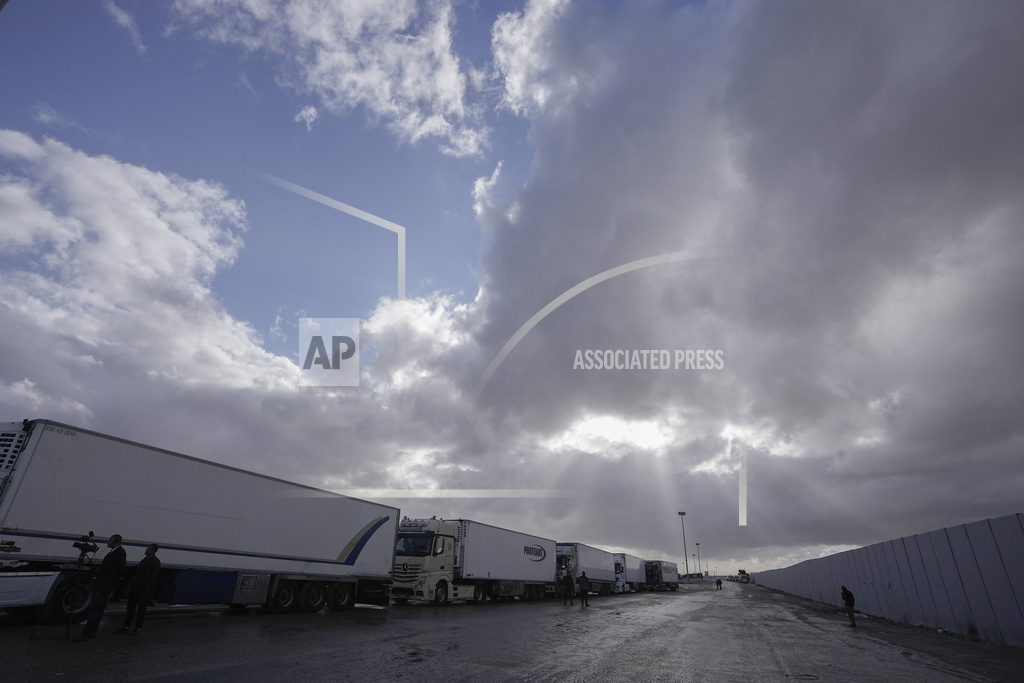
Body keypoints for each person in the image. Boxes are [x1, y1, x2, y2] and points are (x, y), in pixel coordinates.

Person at [76, 534, 127, 640]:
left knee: (94, 608)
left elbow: (121, 569)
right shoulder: (114, 552)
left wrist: (111, 582)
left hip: (105, 585)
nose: (108, 542)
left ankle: (86, 632)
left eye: (110, 540)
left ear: (115, 542)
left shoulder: (120, 552)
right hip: (105, 584)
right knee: (98, 609)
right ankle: (92, 631)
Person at [118, 544, 160, 635]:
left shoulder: (155, 562)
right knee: (130, 608)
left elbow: (153, 576)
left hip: (143, 588)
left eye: (149, 549)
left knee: (141, 609)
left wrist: (147, 588)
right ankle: (126, 626)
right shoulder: (144, 560)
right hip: (136, 587)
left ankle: (138, 628)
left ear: (154, 551)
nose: (146, 550)